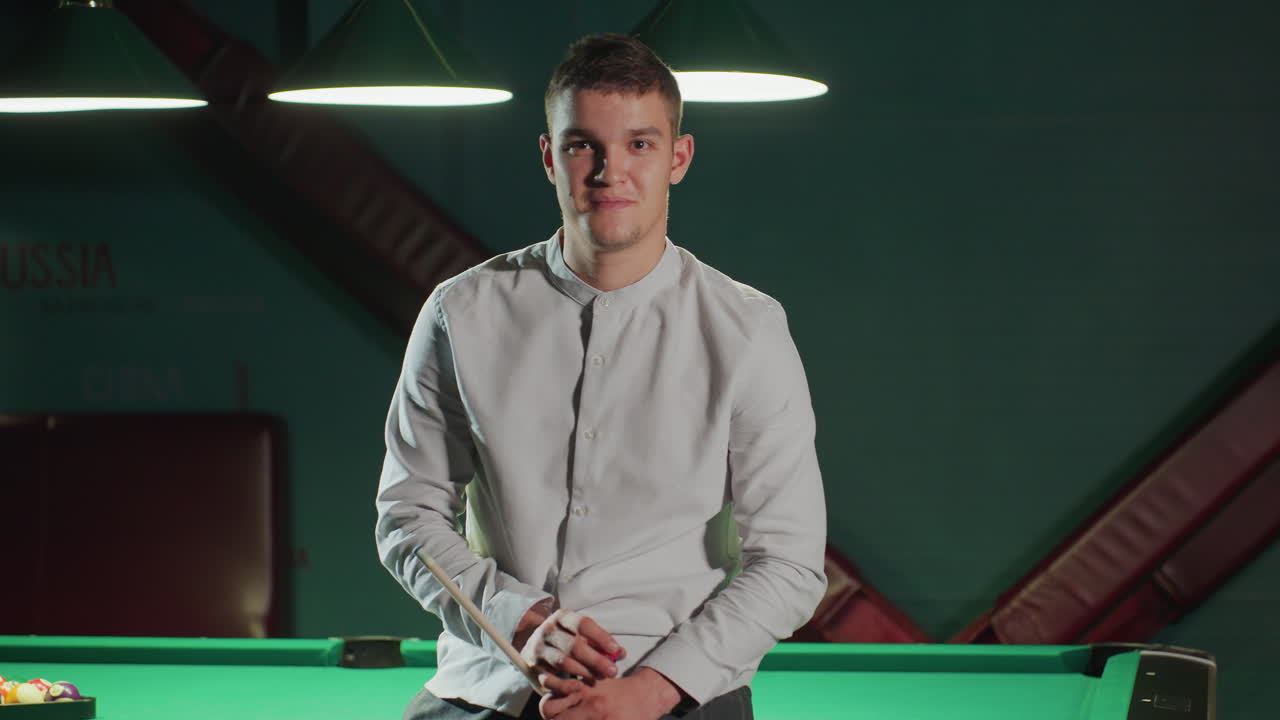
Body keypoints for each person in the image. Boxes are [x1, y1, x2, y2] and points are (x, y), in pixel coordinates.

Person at [376, 33, 827, 720]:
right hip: (489, 681)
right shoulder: (458, 313)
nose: (609, 171)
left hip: (678, 695)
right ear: (549, 156)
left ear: (679, 158)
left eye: (640, 144)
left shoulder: (748, 330)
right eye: (584, 144)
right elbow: (407, 518)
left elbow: (790, 564)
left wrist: (651, 691)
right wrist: (522, 622)